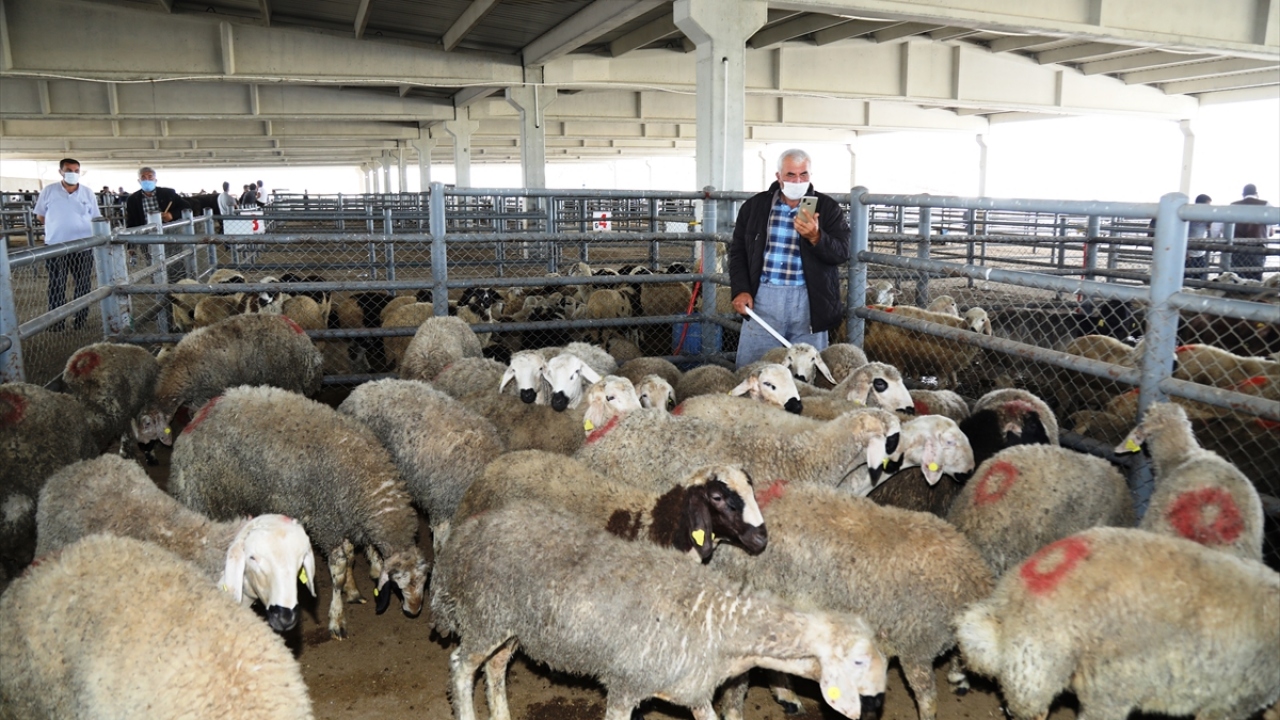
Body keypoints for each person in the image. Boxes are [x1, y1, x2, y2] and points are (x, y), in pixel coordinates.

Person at [728, 148, 850, 368]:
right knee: (754, 367)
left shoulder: (827, 208)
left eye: (803, 174)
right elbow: (738, 252)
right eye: (790, 175)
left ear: (810, 176)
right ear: (778, 176)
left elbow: (841, 252)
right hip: (764, 298)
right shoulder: (756, 207)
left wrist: (817, 237)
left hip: (810, 300)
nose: (798, 180)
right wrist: (741, 289)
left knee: (806, 370)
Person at [33, 158, 100, 330]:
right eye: (69, 170)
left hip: (83, 246)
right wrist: (58, 226)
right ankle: (57, 322)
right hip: (56, 246)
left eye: (76, 170)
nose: (73, 173)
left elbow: (95, 217)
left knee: (83, 283)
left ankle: (80, 320)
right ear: (61, 172)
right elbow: (41, 216)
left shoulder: (87, 192)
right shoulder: (49, 191)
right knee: (57, 283)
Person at [1229, 183, 1271, 281]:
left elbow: (1218, 226)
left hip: (1237, 246)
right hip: (1257, 246)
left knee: (1237, 276)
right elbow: (1273, 219)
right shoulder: (1265, 204)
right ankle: (1253, 294)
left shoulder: (1233, 205)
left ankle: (1236, 295)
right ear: (1256, 193)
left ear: (1242, 194)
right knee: (1255, 276)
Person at [124, 167, 190, 229]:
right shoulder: (132, 199)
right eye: (143, 178)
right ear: (139, 181)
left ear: (155, 180)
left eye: (150, 177)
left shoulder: (168, 193)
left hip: (169, 231)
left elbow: (186, 206)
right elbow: (131, 221)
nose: (147, 180)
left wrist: (172, 214)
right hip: (145, 235)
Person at [1185, 193, 1217, 281]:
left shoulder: (1205, 218)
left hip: (1200, 254)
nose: (1209, 208)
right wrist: (1184, 252)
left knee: (1199, 281)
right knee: (1188, 281)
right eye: (1207, 205)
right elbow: (1182, 235)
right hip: (1189, 255)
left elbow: (1210, 226)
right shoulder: (1188, 217)